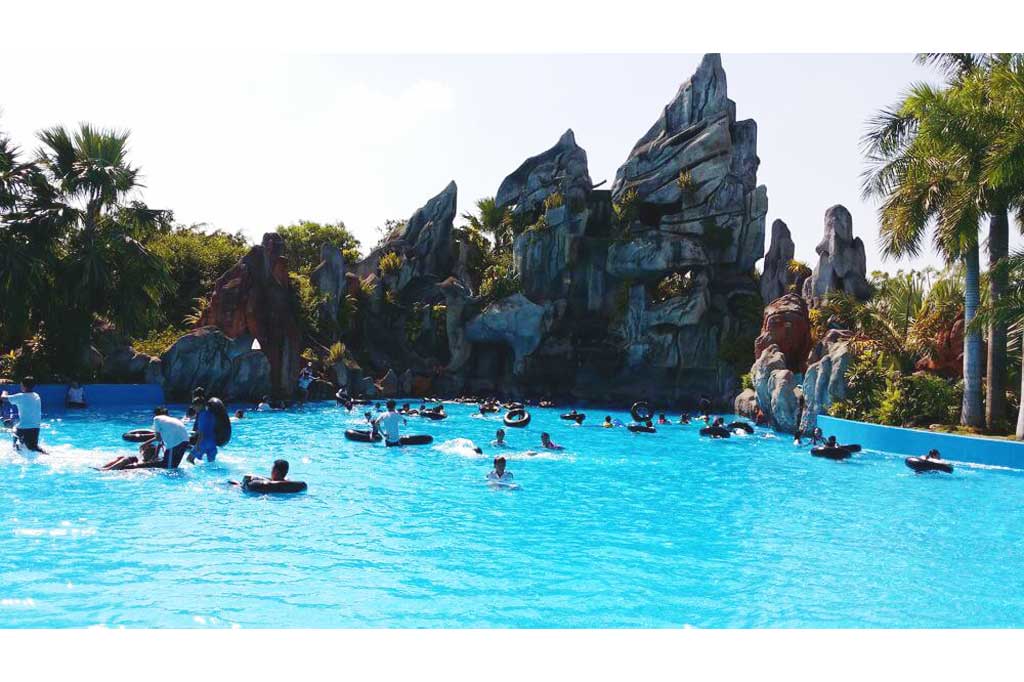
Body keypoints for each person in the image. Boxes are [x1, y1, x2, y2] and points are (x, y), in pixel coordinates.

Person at [1, 376, 45, 453]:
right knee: (33, 447)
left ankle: (16, 447)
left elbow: (3, 398)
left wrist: (4, 391)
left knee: (16, 444)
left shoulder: (20, 397)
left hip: (23, 428)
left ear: (22, 385)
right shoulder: (36, 396)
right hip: (36, 427)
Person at [188, 398, 218, 463]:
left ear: (200, 405)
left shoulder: (201, 415)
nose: (193, 408)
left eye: (194, 406)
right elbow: (207, 427)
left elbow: (202, 432)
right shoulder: (211, 414)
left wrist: (197, 445)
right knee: (211, 463)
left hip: (203, 441)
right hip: (212, 442)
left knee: (189, 459)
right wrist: (195, 434)